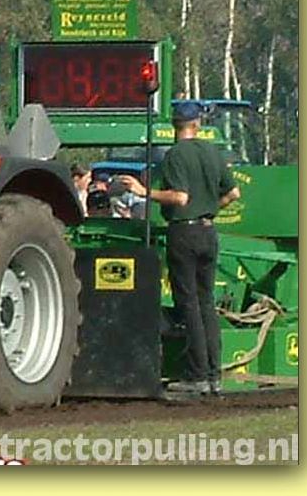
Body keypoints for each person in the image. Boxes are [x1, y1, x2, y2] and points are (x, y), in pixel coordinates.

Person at [118, 101, 241, 396]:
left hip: (184, 232)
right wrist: (210, 208)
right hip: (208, 231)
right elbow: (234, 193)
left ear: (174, 126)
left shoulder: (175, 154)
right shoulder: (212, 152)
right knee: (206, 303)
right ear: (197, 124)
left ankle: (197, 375)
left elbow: (180, 197)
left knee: (189, 304)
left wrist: (143, 191)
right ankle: (214, 376)